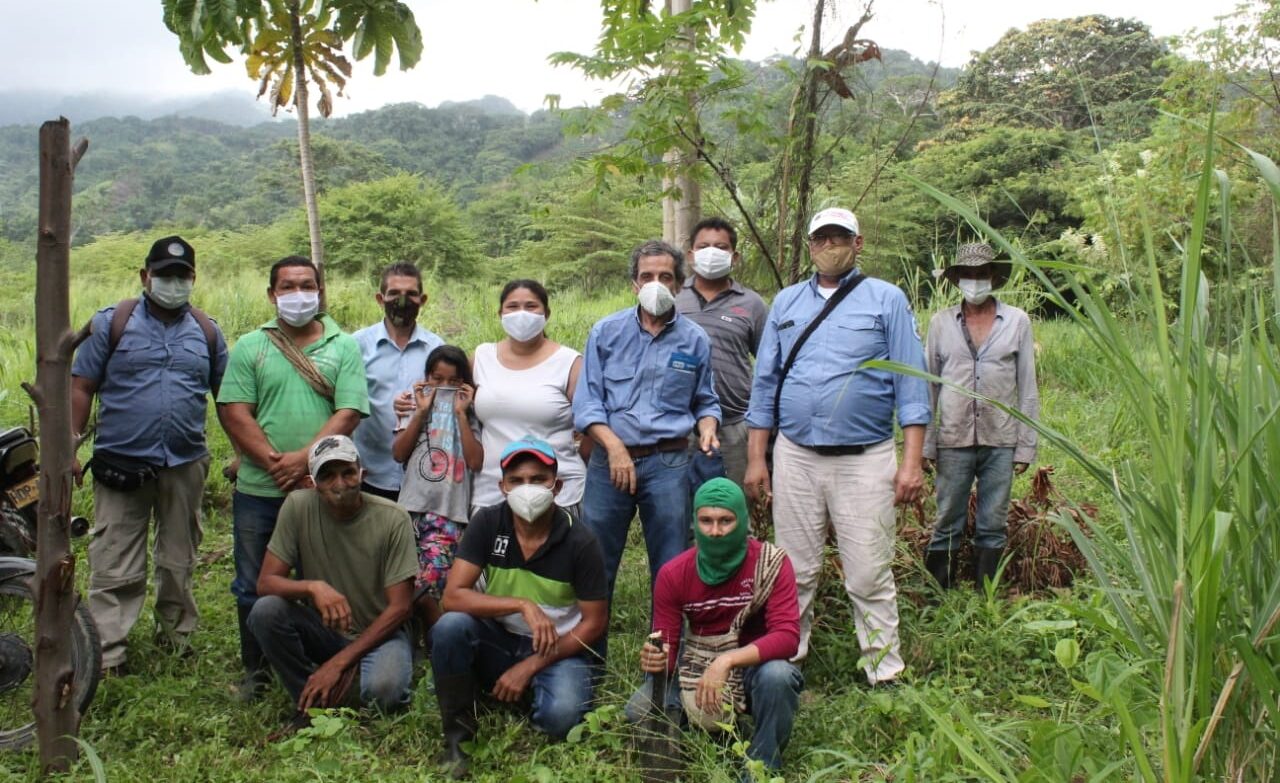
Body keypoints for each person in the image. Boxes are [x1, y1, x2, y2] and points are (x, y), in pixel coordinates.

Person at [744, 207, 930, 686]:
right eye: (821, 238)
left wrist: (912, 463)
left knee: (868, 570)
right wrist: (756, 459)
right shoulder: (786, 302)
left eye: (839, 237)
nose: (830, 246)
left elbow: (912, 385)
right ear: (809, 246)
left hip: (865, 459)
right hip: (795, 455)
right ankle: (787, 656)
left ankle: (884, 669)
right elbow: (765, 384)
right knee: (794, 567)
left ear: (858, 242)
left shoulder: (887, 299)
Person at [70, 235, 228, 674]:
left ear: (193, 278)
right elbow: (81, 386)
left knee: (179, 557)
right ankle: (109, 653)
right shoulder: (111, 323)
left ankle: (176, 637)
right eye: (164, 274)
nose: (172, 283)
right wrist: (69, 445)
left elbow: (227, 397)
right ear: (145, 276)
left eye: (181, 275)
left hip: (184, 461)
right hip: (121, 460)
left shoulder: (207, 331)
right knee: (115, 558)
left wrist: (242, 453)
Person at [217, 256, 370, 698]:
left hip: (321, 489)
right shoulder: (251, 346)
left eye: (307, 285)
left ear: (320, 292)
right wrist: (274, 463)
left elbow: (349, 411)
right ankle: (257, 670)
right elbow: (234, 411)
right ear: (272, 294)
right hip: (259, 489)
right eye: (287, 286)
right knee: (252, 582)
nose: (298, 294)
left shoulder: (343, 346)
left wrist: (305, 461)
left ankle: (320, 662)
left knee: (319, 578)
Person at [430, 437, 608, 778]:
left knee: (561, 718)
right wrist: (522, 605)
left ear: (557, 486)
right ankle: (457, 738)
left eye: (538, 479)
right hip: (500, 637)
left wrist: (529, 667)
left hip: (557, 648)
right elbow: (452, 597)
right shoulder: (488, 522)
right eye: (517, 480)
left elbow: (594, 623)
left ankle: (521, 688)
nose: (528, 488)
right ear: (503, 487)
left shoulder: (581, 541)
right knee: (449, 627)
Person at [572, 239, 721, 610]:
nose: (656, 284)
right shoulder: (605, 332)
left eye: (665, 276)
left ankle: (666, 648)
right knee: (594, 562)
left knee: (672, 565)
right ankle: (588, 647)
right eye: (647, 276)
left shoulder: (695, 339)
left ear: (679, 284)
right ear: (634, 284)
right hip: (609, 462)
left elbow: (705, 400)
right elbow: (587, 402)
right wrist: (614, 447)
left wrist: (707, 426)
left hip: (668, 463)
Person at [631, 477, 803, 775]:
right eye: (706, 521)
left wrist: (727, 661)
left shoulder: (771, 563)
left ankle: (761, 769)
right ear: (695, 522)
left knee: (779, 676)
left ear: (743, 521)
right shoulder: (674, 574)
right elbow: (668, 649)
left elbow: (787, 636)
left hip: (751, 667)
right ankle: (712, 741)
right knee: (638, 709)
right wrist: (656, 658)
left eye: (726, 521)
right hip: (696, 661)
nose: (715, 531)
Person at [249, 435, 417, 733]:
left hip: (380, 633)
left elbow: (400, 608)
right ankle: (310, 698)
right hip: (325, 631)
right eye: (327, 475)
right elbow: (266, 583)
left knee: (384, 693)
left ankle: (339, 681)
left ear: (362, 474)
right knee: (265, 610)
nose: (340, 483)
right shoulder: (297, 506)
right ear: (312, 482)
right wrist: (312, 587)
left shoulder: (393, 518)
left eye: (347, 472)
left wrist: (338, 663)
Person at [923, 242, 1039, 589]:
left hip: (1000, 439)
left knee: (993, 522)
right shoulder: (941, 323)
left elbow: (1027, 385)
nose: (975, 281)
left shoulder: (1017, 321)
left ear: (993, 276)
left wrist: (1026, 446)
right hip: (953, 438)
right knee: (947, 519)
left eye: (981, 274)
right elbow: (928, 386)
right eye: (968, 274)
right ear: (958, 278)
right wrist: (927, 443)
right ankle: (939, 593)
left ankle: (986, 594)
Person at [472, 280, 586, 516]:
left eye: (531, 306)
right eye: (512, 306)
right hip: (491, 491)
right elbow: (455, 402)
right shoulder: (481, 357)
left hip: (557, 492)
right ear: (500, 313)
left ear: (546, 313)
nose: (521, 313)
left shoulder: (569, 362)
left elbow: (591, 422)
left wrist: (583, 456)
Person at [391, 345, 483, 636]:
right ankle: (414, 639)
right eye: (437, 378)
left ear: (464, 383)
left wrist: (461, 414)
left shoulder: (471, 413)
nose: (444, 386)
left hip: (447, 514)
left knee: (430, 585)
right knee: (405, 580)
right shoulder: (413, 404)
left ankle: (437, 643)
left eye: (453, 381)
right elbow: (399, 453)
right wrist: (420, 412)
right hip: (409, 510)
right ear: (426, 377)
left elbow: (475, 461)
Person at [675, 218, 769, 486]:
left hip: (735, 427)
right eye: (703, 246)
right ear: (691, 255)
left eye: (720, 247)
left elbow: (768, 366)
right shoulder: (673, 297)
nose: (711, 252)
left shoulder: (752, 304)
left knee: (732, 502)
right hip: (677, 427)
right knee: (678, 506)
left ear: (734, 256)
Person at [352, 262, 444, 501]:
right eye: (394, 293)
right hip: (368, 473)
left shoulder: (437, 349)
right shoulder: (357, 345)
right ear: (380, 298)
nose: (402, 301)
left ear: (422, 300)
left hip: (423, 474)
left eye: (411, 294)